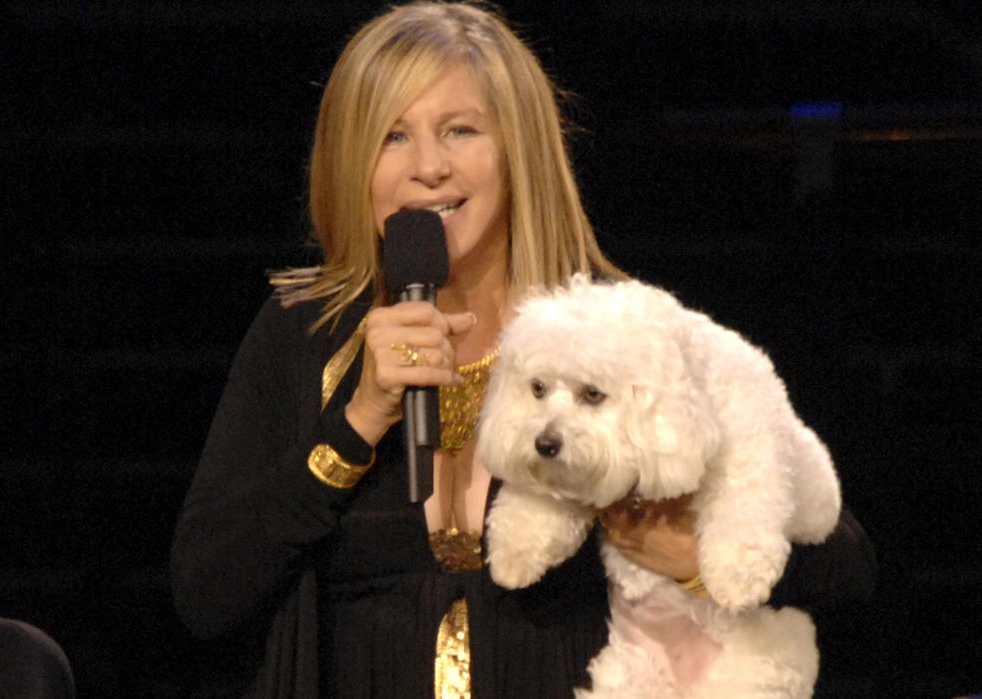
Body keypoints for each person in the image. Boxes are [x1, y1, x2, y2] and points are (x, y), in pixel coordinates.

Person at [170, 2, 876, 697]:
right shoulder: (303, 334)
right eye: (391, 137)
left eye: (459, 130)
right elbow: (206, 593)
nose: (428, 168)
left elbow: (845, 561)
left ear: (517, 149)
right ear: (352, 160)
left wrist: (697, 558)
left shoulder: (613, 328)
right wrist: (352, 425)